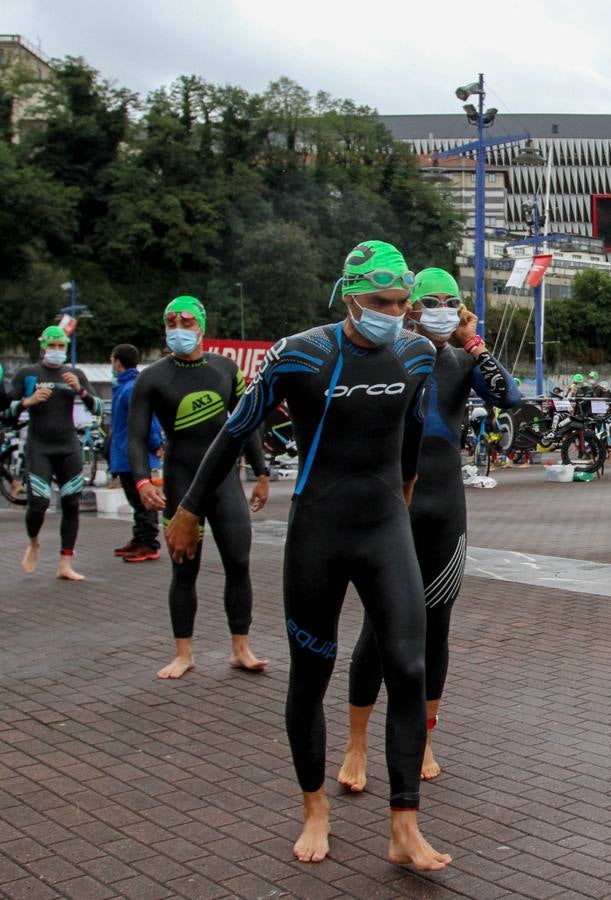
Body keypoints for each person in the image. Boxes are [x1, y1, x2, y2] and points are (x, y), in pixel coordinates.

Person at [166, 240, 450, 870]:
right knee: (311, 677)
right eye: (382, 302)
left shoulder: (418, 352)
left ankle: (404, 826)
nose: (395, 313)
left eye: (403, 303)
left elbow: (409, 429)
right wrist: (188, 510)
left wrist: (403, 499)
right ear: (350, 296)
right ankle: (314, 808)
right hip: (319, 532)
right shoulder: (301, 354)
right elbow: (235, 431)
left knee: (408, 666)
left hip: (385, 528)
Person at [339, 267, 518, 791]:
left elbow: (507, 397)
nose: (440, 306)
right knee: (379, 629)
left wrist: (472, 341)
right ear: (410, 307)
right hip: (391, 509)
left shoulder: (462, 362)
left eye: (451, 300)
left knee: (435, 629)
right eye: (429, 300)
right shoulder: (389, 357)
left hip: (445, 513)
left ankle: (424, 736)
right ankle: (356, 743)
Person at [128, 298, 270, 678]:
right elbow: (136, 437)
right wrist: (142, 481)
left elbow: (248, 422)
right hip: (180, 479)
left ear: (201, 327)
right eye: (170, 321)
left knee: (238, 563)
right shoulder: (152, 378)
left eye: (186, 321)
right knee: (184, 569)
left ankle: (240, 647)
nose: (178, 327)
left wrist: (261, 472)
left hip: (225, 482)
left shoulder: (227, 369)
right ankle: (183, 653)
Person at [11, 326, 97, 580]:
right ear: (43, 347)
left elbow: (98, 407)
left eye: (62, 346)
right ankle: (34, 541)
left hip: (68, 445)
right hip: (40, 445)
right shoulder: (27, 374)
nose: (57, 351)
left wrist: (80, 390)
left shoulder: (75, 373)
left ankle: (65, 563)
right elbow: (4, 411)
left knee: (71, 503)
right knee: (38, 503)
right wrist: (28, 402)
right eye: (53, 346)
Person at [108, 344, 164, 561]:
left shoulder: (132, 388)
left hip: (134, 455)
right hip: (123, 454)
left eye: (112, 360)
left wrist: (154, 443)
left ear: (117, 362)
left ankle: (149, 543)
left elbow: (147, 421)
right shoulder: (124, 387)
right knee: (136, 501)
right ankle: (140, 539)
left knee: (144, 502)